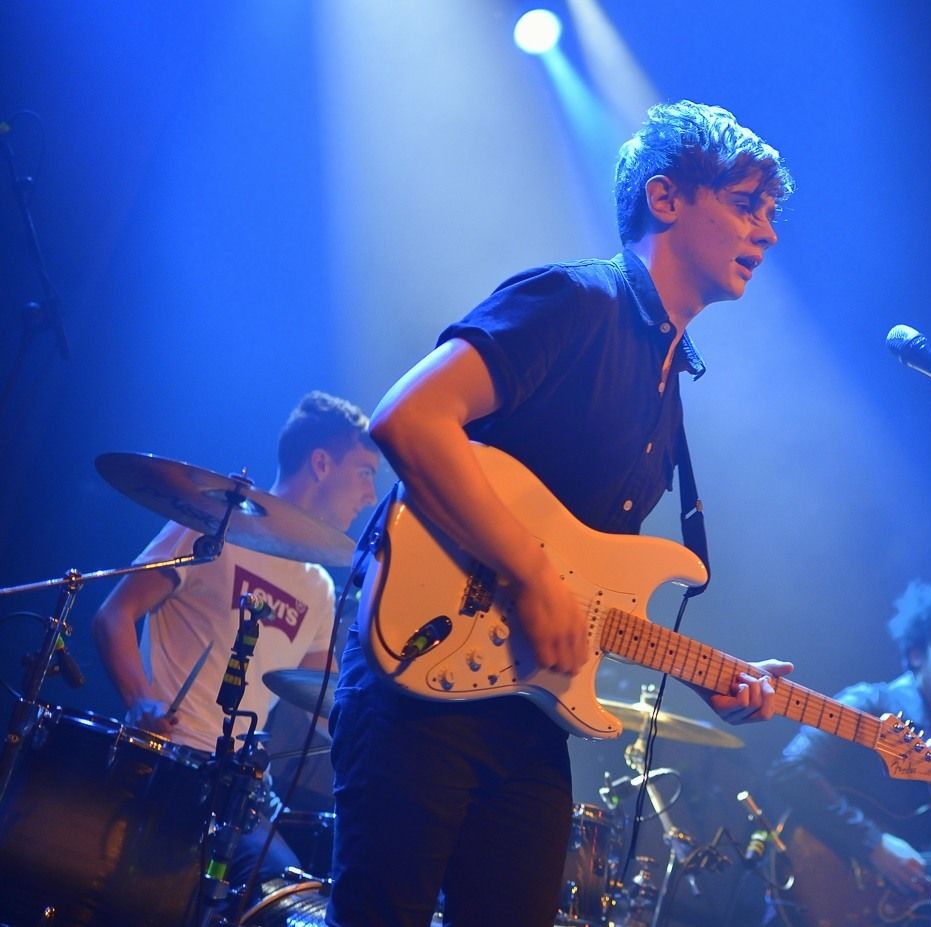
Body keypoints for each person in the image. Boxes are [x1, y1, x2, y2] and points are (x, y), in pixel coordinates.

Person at [327, 100, 797, 927]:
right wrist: (530, 573)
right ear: (666, 198)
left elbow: (589, 580)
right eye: (746, 203)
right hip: (419, 680)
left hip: (523, 711)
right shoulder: (576, 301)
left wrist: (711, 675)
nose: (767, 232)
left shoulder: (669, 387)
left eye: (770, 213)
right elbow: (408, 417)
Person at [91, 390, 380, 882]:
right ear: (321, 464)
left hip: (236, 787)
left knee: (286, 894)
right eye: (366, 474)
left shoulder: (317, 585)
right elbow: (113, 615)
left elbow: (327, 700)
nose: (371, 496)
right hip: (171, 760)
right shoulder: (213, 527)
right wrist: (140, 701)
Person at [767, 580, 931, 908]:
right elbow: (789, 770)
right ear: (917, 652)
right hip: (815, 884)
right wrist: (873, 844)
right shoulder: (870, 703)